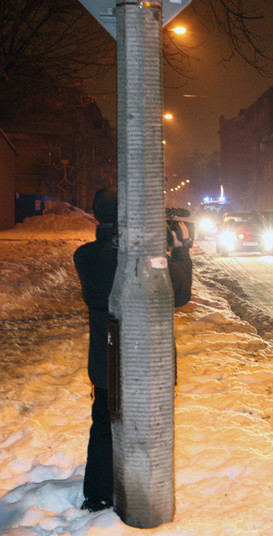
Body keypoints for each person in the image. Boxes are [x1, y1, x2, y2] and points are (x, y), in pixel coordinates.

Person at [73, 187, 192, 512]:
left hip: (106, 364)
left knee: (103, 427)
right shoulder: (151, 263)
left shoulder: (84, 257)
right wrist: (179, 250)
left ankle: (98, 494)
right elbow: (180, 294)